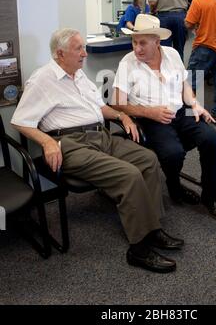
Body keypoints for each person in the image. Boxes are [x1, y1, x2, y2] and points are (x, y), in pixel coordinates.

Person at [11, 28, 184, 273]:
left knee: (148, 159)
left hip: (99, 135)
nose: (85, 53)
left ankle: (153, 229)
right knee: (129, 175)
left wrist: (122, 115)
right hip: (70, 144)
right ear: (60, 54)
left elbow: (100, 108)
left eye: (83, 47)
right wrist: (47, 142)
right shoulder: (42, 79)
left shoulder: (79, 75)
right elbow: (19, 120)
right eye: (78, 49)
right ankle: (139, 249)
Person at [113, 14, 216, 221]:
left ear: (157, 41)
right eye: (134, 42)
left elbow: (184, 86)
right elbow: (117, 103)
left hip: (180, 111)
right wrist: (149, 112)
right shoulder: (127, 63)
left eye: (143, 43)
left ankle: (211, 197)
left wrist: (195, 104)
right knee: (173, 153)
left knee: (211, 139)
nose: (137, 48)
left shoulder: (172, 54)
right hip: (150, 118)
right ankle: (175, 187)